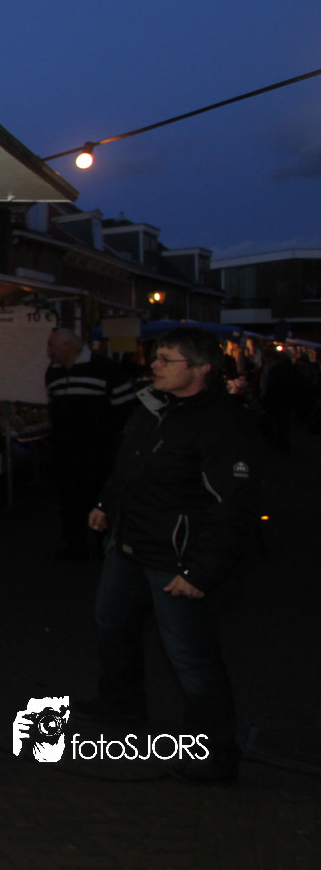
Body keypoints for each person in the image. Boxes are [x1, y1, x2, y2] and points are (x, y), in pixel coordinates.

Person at [84, 326, 260, 782]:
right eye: (156, 357)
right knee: (112, 623)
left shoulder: (221, 424)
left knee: (192, 658)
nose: (155, 366)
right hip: (130, 543)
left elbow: (233, 505)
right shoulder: (154, 406)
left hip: (176, 558)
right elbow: (130, 462)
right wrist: (107, 503)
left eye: (166, 359)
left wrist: (201, 570)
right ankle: (122, 703)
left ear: (200, 369)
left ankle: (214, 755)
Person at [44, 328, 133, 560]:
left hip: (96, 448)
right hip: (65, 448)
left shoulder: (104, 367)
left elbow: (125, 403)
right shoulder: (53, 372)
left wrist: (106, 433)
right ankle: (75, 546)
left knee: (98, 495)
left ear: (68, 346)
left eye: (52, 345)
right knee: (68, 497)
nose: (48, 351)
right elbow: (54, 405)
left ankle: (104, 546)